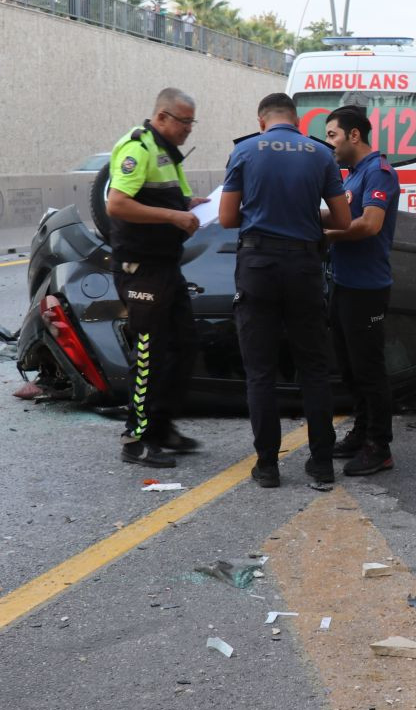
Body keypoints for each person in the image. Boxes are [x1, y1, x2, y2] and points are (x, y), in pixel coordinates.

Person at [219, 93, 351, 488]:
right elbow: (342, 220)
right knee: (313, 368)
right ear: (296, 121)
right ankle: (322, 463)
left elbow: (227, 217)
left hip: (258, 267)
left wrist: (264, 211)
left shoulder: (244, 151)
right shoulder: (320, 153)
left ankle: (268, 467)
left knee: (260, 371)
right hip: (304, 267)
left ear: (262, 121)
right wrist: (303, 212)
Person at [106, 88, 208, 468]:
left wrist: (190, 205)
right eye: (184, 121)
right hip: (140, 267)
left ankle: (162, 426)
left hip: (166, 266)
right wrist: (173, 218)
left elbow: (166, 198)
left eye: (191, 122)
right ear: (162, 117)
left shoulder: (167, 153)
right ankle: (137, 438)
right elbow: (116, 203)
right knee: (148, 353)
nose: (188, 129)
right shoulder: (139, 148)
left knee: (183, 346)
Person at [321, 106, 400, 476]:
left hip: (367, 288)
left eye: (333, 134)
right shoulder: (350, 176)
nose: (328, 142)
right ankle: (362, 431)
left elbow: (369, 225)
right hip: (344, 283)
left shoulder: (378, 172)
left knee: (369, 371)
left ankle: (378, 446)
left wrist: (322, 236)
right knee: (351, 369)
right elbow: (338, 216)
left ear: (355, 135)